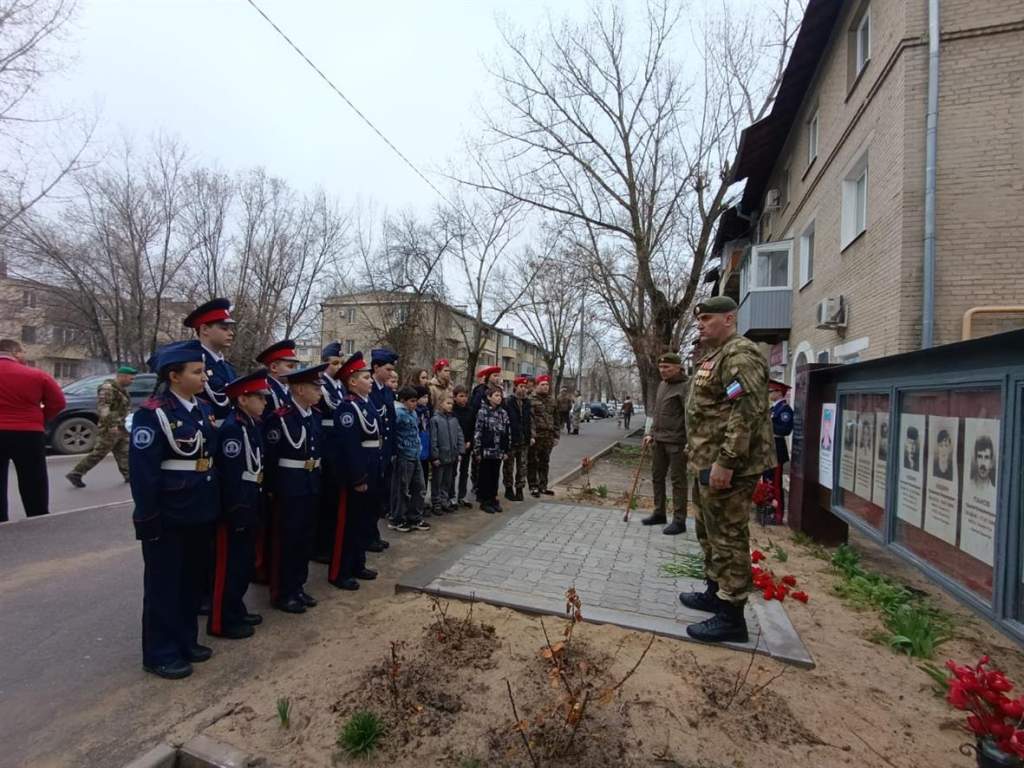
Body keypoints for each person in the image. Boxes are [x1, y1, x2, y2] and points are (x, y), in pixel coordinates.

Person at [679, 296, 775, 644]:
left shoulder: (740, 354)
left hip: (729, 468)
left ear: (729, 319)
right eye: (699, 319)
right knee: (709, 531)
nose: (701, 324)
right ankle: (714, 591)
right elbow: (712, 410)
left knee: (728, 537)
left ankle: (732, 617)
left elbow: (746, 410)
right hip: (708, 462)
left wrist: (727, 461)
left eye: (707, 318)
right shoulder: (716, 356)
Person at [129, 340, 218, 680]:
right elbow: (144, 472)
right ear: (174, 375)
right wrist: (147, 515)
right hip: (168, 513)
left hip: (199, 509)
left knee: (191, 583)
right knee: (164, 585)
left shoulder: (199, 409)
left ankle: (185, 640)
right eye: (197, 372)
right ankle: (160, 652)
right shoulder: (153, 414)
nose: (204, 377)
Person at [208, 370, 269, 640]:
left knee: (244, 563)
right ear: (243, 399)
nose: (265, 402)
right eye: (259, 397)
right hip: (237, 505)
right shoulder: (233, 428)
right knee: (229, 566)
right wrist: (236, 508)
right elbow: (232, 473)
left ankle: (237, 608)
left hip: (250, 498)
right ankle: (222, 620)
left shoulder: (249, 424)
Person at [262, 362, 326, 614]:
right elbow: (271, 457)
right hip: (289, 486)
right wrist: (273, 489)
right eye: (315, 386)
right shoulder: (280, 418)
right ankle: (282, 592)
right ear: (299, 389)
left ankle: (297, 586)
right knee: (286, 541)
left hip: (310, 483)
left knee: (304, 539)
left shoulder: (315, 416)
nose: (319, 391)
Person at [328, 352, 386, 591]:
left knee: (362, 521)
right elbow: (350, 446)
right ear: (352, 381)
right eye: (365, 377)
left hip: (371, 467)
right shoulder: (347, 408)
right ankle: (340, 571)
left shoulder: (366, 403)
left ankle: (357, 563)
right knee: (347, 524)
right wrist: (358, 476)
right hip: (356, 474)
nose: (371, 380)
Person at [0, 339, 66, 523]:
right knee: (33, 478)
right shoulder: (36, 375)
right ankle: (37, 517)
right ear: (15, 353)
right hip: (28, 432)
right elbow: (58, 402)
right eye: (22, 352)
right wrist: (41, 417)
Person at [641, 353, 689, 536]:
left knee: (678, 481)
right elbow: (657, 413)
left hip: (676, 442)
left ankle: (679, 520)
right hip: (658, 440)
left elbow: (689, 417)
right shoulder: (662, 385)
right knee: (657, 477)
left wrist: (689, 443)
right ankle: (659, 512)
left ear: (678, 367)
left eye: (667, 367)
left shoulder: (685, 386)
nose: (663, 371)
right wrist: (650, 433)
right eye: (661, 367)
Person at [66, 366, 136, 488]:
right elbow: (103, 408)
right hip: (110, 428)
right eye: (131, 379)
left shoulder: (121, 389)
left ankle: (129, 476)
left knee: (124, 452)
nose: (132, 381)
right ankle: (76, 473)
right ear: (122, 377)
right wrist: (111, 425)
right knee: (99, 453)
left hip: (121, 426)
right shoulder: (108, 388)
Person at [312, 342, 346, 564]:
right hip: (326, 443)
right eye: (335, 362)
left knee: (334, 499)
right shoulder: (321, 385)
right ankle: (320, 547)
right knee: (325, 500)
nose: (338, 366)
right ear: (325, 363)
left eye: (340, 362)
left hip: (337, 443)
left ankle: (331, 543)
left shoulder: (339, 386)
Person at [184, 298, 238, 423]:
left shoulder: (228, 367)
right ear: (204, 330)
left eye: (230, 329)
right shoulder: (190, 365)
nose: (231, 333)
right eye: (224, 328)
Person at [368, 348, 399, 553]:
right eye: (387, 369)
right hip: (372, 451)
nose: (390, 374)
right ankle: (368, 536)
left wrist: (393, 449)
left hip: (385, 450)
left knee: (379, 496)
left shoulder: (387, 390)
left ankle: (374, 534)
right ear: (376, 367)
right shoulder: (369, 389)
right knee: (370, 499)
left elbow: (391, 421)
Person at [388, 386, 430, 533]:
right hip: (403, 455)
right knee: (402, 489)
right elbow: (391, 432)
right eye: (412, 401)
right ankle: (397, 518)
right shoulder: (398, 413)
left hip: (415, 454)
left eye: (416, 401)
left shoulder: (412, 413)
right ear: (403, 400)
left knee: (419, 488)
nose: (415, 404)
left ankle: (415, 517)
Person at [474, 386, 510, 513]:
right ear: (489, 397)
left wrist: (506, 450)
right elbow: (478, 432)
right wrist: (477, 450)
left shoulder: (503, 413)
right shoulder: (483, 412)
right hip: (486, 450)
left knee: (495, 475)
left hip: (498, 451)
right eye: (496, 395)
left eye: (500, 395)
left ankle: (493, 498)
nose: (499, 398)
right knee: (485, 476)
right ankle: (485, 501)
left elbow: (506, 433)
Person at [470, 365, 502, 496]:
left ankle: (488, 489)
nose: (497, 378)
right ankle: (477, 485)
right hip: (482, 430)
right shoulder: (481, 391)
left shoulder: (499, 390)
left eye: (498, 375)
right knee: (479, 462)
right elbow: (474, 409)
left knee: (492, 468)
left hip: (495, 433)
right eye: (494, 376)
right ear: (488, 377)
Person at [430, 394, 464, 514]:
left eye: (451, 404)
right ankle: (436, 502)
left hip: (452, 456)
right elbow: (433, 439)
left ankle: (444, 500)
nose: (450, 406)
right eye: (447, 403)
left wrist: (460, 451)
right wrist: (435, 455)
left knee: (447, 480)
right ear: (440, 404)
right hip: (440, 456)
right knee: (437, 481)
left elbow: (459, 435)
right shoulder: (435, 420)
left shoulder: (454, 419)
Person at [766, 380, 794, 525]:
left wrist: (768, 425)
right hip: (768, 449)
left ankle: (777, 514)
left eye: (771, 391)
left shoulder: (785, 410)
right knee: (767, 482)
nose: (769, 394)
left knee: (776, 484)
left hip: (777, 450)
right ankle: (767, 510)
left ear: (779, 392)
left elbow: (785, 430)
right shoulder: (773, 409)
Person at [528, 374, 559, 497]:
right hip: (536, 437)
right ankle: (533, 486)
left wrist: (556, 436)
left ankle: (543, 486)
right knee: (533, 462)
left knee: (545, 462)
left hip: (548, 436)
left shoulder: (552, 400)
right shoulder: (531, 399)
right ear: (537, 386)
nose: (545, 387)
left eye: (547, 385)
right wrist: (531, 435)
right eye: (543, 385)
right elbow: (529, 420)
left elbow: (557, 419)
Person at [503, 376, 533, 502]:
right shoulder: (508, 402)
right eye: (521, 386)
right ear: (515, 387)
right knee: (509, 466)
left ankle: (520, 489)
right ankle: (509, 489)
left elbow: (531, 420)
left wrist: (531, 435)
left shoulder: (527, 402)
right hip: (511, 439)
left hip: (523, 439)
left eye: (525, 387)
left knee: (522, 467)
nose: (524, 389)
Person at [255, 340, 300, 413]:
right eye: (290, 366)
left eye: (296, 367)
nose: (294, 371)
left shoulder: (286, 388)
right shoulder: (266, 391)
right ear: (274, 367)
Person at [452, 384, 474, 508]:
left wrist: (469, 441)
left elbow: (472, 427)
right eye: (461, 396)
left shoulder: (469, 410)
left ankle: (462, 495)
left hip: (467, 444)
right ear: (455, 397)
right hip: (455, 445)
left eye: (465, 396)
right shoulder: (452, 411)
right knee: (452, 472)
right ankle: (451, 496)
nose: (464, 399)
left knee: (464, 471)